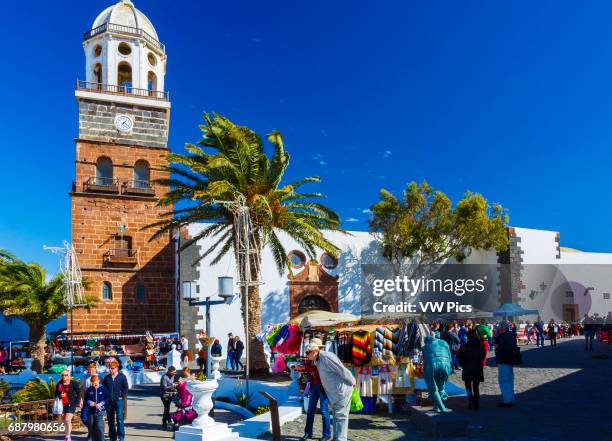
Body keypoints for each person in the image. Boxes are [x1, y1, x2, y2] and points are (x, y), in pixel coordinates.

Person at [306, 341, 354, 441]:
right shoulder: (317, 360)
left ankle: (340, 439)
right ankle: (336, 438)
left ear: (314, 351)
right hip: (334, 394)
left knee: (341, 417)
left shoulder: (326, 357)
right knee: (337, 417)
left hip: (342, 391)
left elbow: (341, 369)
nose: (306, 355)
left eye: (308, 352)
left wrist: (352, 381)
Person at [293, 338, 331, 441]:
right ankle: (307, 433)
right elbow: (307, 366)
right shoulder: (311, 359)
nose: (308, 353)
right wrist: (298, 367)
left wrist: (303, 368)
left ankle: (326, 434)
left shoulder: (324, 358)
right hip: (314, 386)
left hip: (324, 387)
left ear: (316, 349)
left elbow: (316, 369)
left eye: (309, 351)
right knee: (310, 410)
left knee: (324, 410)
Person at [102, 361, 129, 441]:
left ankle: (121, 437)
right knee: (110, 420)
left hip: (119, 401)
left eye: (112, 368)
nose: (110, 370)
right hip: (109, 401)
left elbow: (126, 387)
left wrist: (122, 395)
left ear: (117, 368)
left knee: (120, 419)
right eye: (109, 368)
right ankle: (112, 437)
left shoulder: (122, 376)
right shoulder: (107, 377)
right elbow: (103, 388)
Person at [459, 330, 485, 410]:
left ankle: (470, 402)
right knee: (476, 387)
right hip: (477, 368)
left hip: (468, 368)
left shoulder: (465, 346)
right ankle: (476, 404)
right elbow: (483, 356)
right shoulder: (480, 345)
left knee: (468, 386)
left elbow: (460, 358)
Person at [495, 321, 519, 407]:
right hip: (509, 360)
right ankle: (511, 399)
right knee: (509, 379)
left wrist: (498, 346)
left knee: (504, 380)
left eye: (500, 328)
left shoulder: (505, 336)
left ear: (503, 328)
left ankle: (507, 400)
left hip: (504, 360)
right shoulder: (511, 335)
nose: (499, 329)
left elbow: (505, 347)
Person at [55, 369, 80, 441]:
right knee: (65, 421)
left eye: (66, 375)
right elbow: (56, 394)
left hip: (71, 404)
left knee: (67, 420)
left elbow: (78, 392)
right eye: (63, 375)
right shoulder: (60, 383)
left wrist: (77, 402)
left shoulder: (73, 383)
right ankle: (67, 435)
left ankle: (68, 437)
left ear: (69, 376)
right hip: (62, 404)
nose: (64, 376)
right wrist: (60, 395)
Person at [83, 375, 108, 441]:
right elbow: (86, 399)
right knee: (91, 425)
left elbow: (107, 399)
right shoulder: (89, 389)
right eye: (92, 382)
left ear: (98, 381)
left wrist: (101, 403)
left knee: (100, 426)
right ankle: (91, 438)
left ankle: (101, 439)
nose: (94, 384)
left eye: (95, 382)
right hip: (91, 411)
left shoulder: (103, 389)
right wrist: (90, 402)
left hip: (101, 411)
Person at [80, 363, 98, 441]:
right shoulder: (85, 378)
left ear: (95, 369)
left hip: (96, 401)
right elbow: (83, 390)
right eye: (89, 369)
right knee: (84, 417)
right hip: (87, 401)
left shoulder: (98, 377)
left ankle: (90, 435)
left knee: (92, 418)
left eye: (92, 369)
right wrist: (81, 400)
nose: (90, 370)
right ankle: (93, 429)